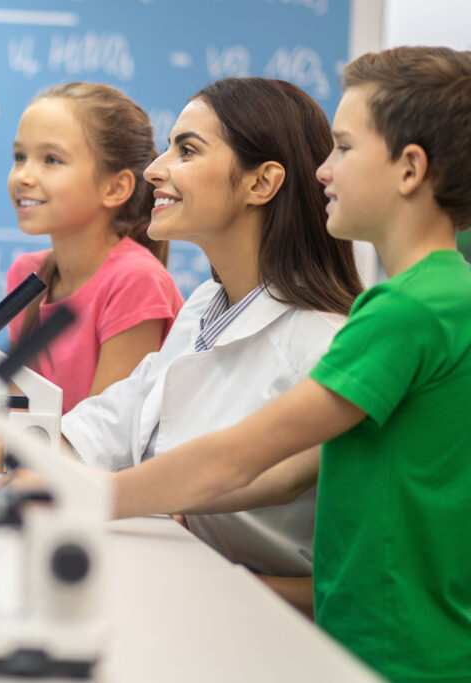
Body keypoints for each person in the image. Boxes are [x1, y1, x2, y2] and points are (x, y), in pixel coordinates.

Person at [0, 77, 365, 613]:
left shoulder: (323, 345)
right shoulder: (206, 306)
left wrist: (113, 495)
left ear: (261, 183)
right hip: (172, 588)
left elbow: (339, 565)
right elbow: (113, 425)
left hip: (251, 628)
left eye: (188, 149)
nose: (156, 169)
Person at [99, 47, 471, 681]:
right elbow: (290, 471)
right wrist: (180, 508)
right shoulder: (449, 294)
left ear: (410, 169)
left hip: (391, 651)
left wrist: (87, 499)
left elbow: (238, 455)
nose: (322, 171)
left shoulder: (404, 311)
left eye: (345, 149)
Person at [5, 82, 183, 412]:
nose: (23, 176)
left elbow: (98, 440)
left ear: (116, 188)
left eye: (52, 159)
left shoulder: (136, 282)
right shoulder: (26, 275)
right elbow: (18, 412)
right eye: (19, 157)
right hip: (35, 461)